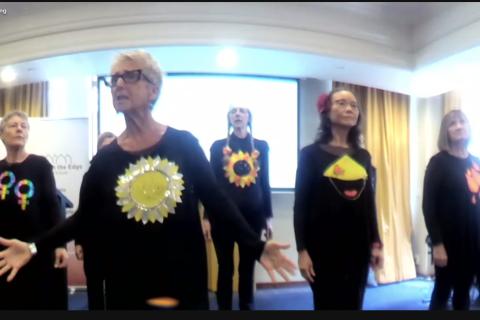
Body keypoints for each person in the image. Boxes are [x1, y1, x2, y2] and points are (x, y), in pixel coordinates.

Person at [0, 50, 295, 310]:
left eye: (130, 76)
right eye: (114, 78)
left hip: (183, 283)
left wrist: (254, 246)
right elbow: (83, 219)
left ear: (153, 90)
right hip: (128, 285)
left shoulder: (183, 144)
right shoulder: (104, 161)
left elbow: (216, 200)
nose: (117, 84)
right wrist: (33, 247)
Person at [293, 88, 383, 310]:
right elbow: (301, 205)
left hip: (358, 245)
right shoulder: (309, 154)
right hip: (322, 246)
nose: (349, 108)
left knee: (354, 303)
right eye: (341, 103)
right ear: (326, 112)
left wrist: (376, 243)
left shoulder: (363, 156)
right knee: (326, 303)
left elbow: (369, 203)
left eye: (354, 105)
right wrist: (302, 250)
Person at [204, 106, 273, 310]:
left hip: (254, 217)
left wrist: (268, 217)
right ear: (229, 118)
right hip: (222, 218)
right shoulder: (218, 147)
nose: (237, 114)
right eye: (233, 111)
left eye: (242, 111)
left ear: (249, 117)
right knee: (225, 267)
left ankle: (246, 306)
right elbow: (211, 183)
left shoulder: (260, 146)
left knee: (247, 266)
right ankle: (224, 307)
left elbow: (265, 181)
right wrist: (206, 216)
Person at [0, 110, 69, 310]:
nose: (20, 128)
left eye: (24, 125)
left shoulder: (40, 165)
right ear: (2, 134)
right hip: (5, 252)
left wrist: (60, 245)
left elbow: (52, 206)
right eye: (13, 125)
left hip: (36, 249)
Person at [422, 109, 480, 310]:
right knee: (443, 291)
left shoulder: (476, 162)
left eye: (462, 122)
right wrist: (437, 244)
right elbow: (428, 206)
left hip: (473, 241)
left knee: (463, 293)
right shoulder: (439, 162)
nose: (458, 126)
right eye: (452, 123)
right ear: (445, 132)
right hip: (448, 242)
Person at [73, 131, 116, 310]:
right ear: (98, 151)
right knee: (95, 291)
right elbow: (82, 211)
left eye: (112, 147)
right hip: (94, 244)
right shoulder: (89, 176)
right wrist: (78, 241)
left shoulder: (129, 176)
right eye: (104, 148)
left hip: (119, 244)